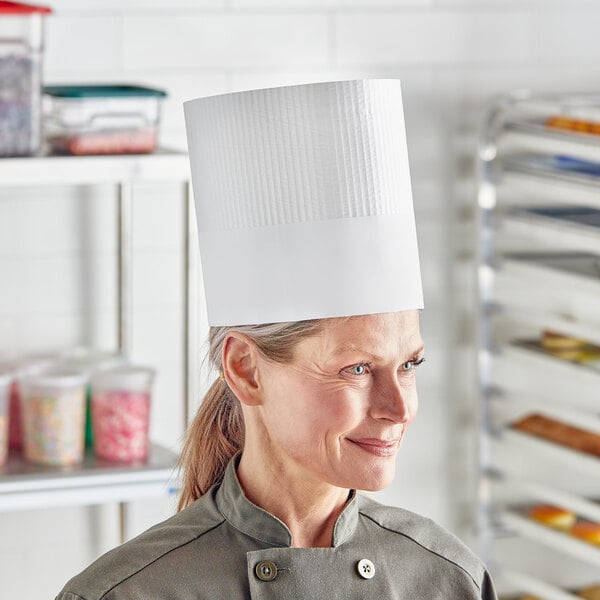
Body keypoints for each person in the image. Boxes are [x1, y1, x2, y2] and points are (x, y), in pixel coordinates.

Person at [56, 80, 497, 599]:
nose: (398, 408)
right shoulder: (126, 593)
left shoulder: (448, 581)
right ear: (245, 369)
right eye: (356, 368)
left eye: (409, 364)